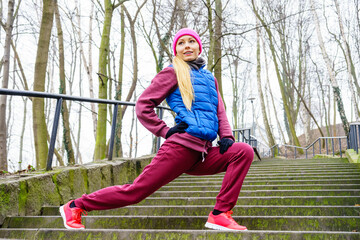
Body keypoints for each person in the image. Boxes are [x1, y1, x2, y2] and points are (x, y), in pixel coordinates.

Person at [59, 28, 254, 231]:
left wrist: (227, 136)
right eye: (181, 43)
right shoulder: (173, 71)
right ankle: (76, 206)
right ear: (176, 50)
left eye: (191, 41)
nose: (187, 46)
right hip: (180, 148)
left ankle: (220, 214)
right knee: (135, 192)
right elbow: (144, 105)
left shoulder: (209, 78)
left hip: (203, 152)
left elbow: (219, 111)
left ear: (198, 46)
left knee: (243, 151)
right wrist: (165, 131)